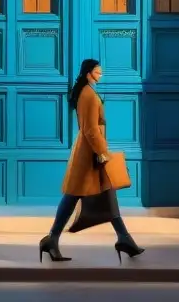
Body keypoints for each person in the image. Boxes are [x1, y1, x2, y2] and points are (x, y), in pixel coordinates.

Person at [39, 58, 145, 263]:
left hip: (90, 154)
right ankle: (52, 239)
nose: (101, 74)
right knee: (74, 196)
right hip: (90, 156)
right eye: (98, 71)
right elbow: (90, 129)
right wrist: (103, 153)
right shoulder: (87, 94)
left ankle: (124, 238)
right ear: (89, 72)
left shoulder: (88, 91)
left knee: (104, 193)